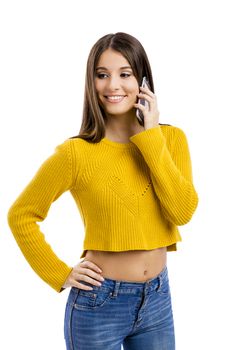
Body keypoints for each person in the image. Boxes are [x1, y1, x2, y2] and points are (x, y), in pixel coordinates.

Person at [7, 32, 199, 350]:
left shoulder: (171, 139)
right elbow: (21, 214)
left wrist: (150, 137)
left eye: (125, 74)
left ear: (143, 80)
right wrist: (59, 273)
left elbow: (182, 212)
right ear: (91, 82)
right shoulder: (76, 153)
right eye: (102, 75)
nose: (113, 86)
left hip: (157, 299)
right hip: (99, 304)